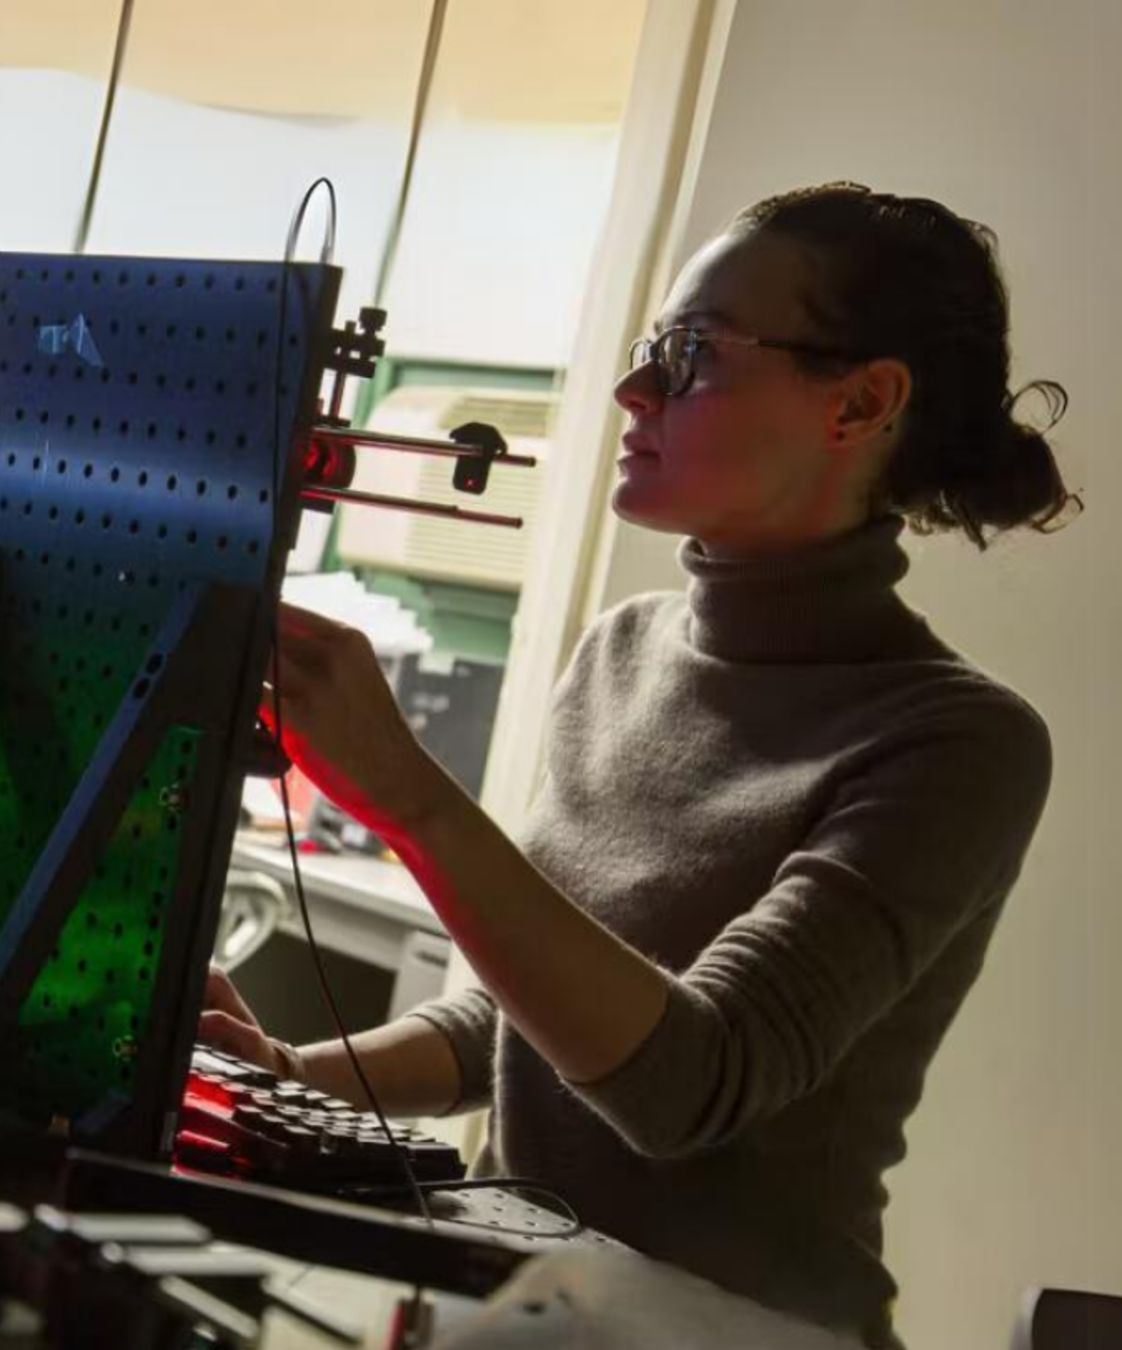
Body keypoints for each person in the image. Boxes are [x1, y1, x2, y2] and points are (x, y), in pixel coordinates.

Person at [202, 182, 1076, 1349]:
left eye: (692, 353)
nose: (632, 390)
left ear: (861, 403)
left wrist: (410, 796)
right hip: (535, 1308)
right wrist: (292, 1074)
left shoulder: (959, 744)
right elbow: (510, 1025)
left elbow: (688, 1086)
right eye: (645, 348)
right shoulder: (622, 647)